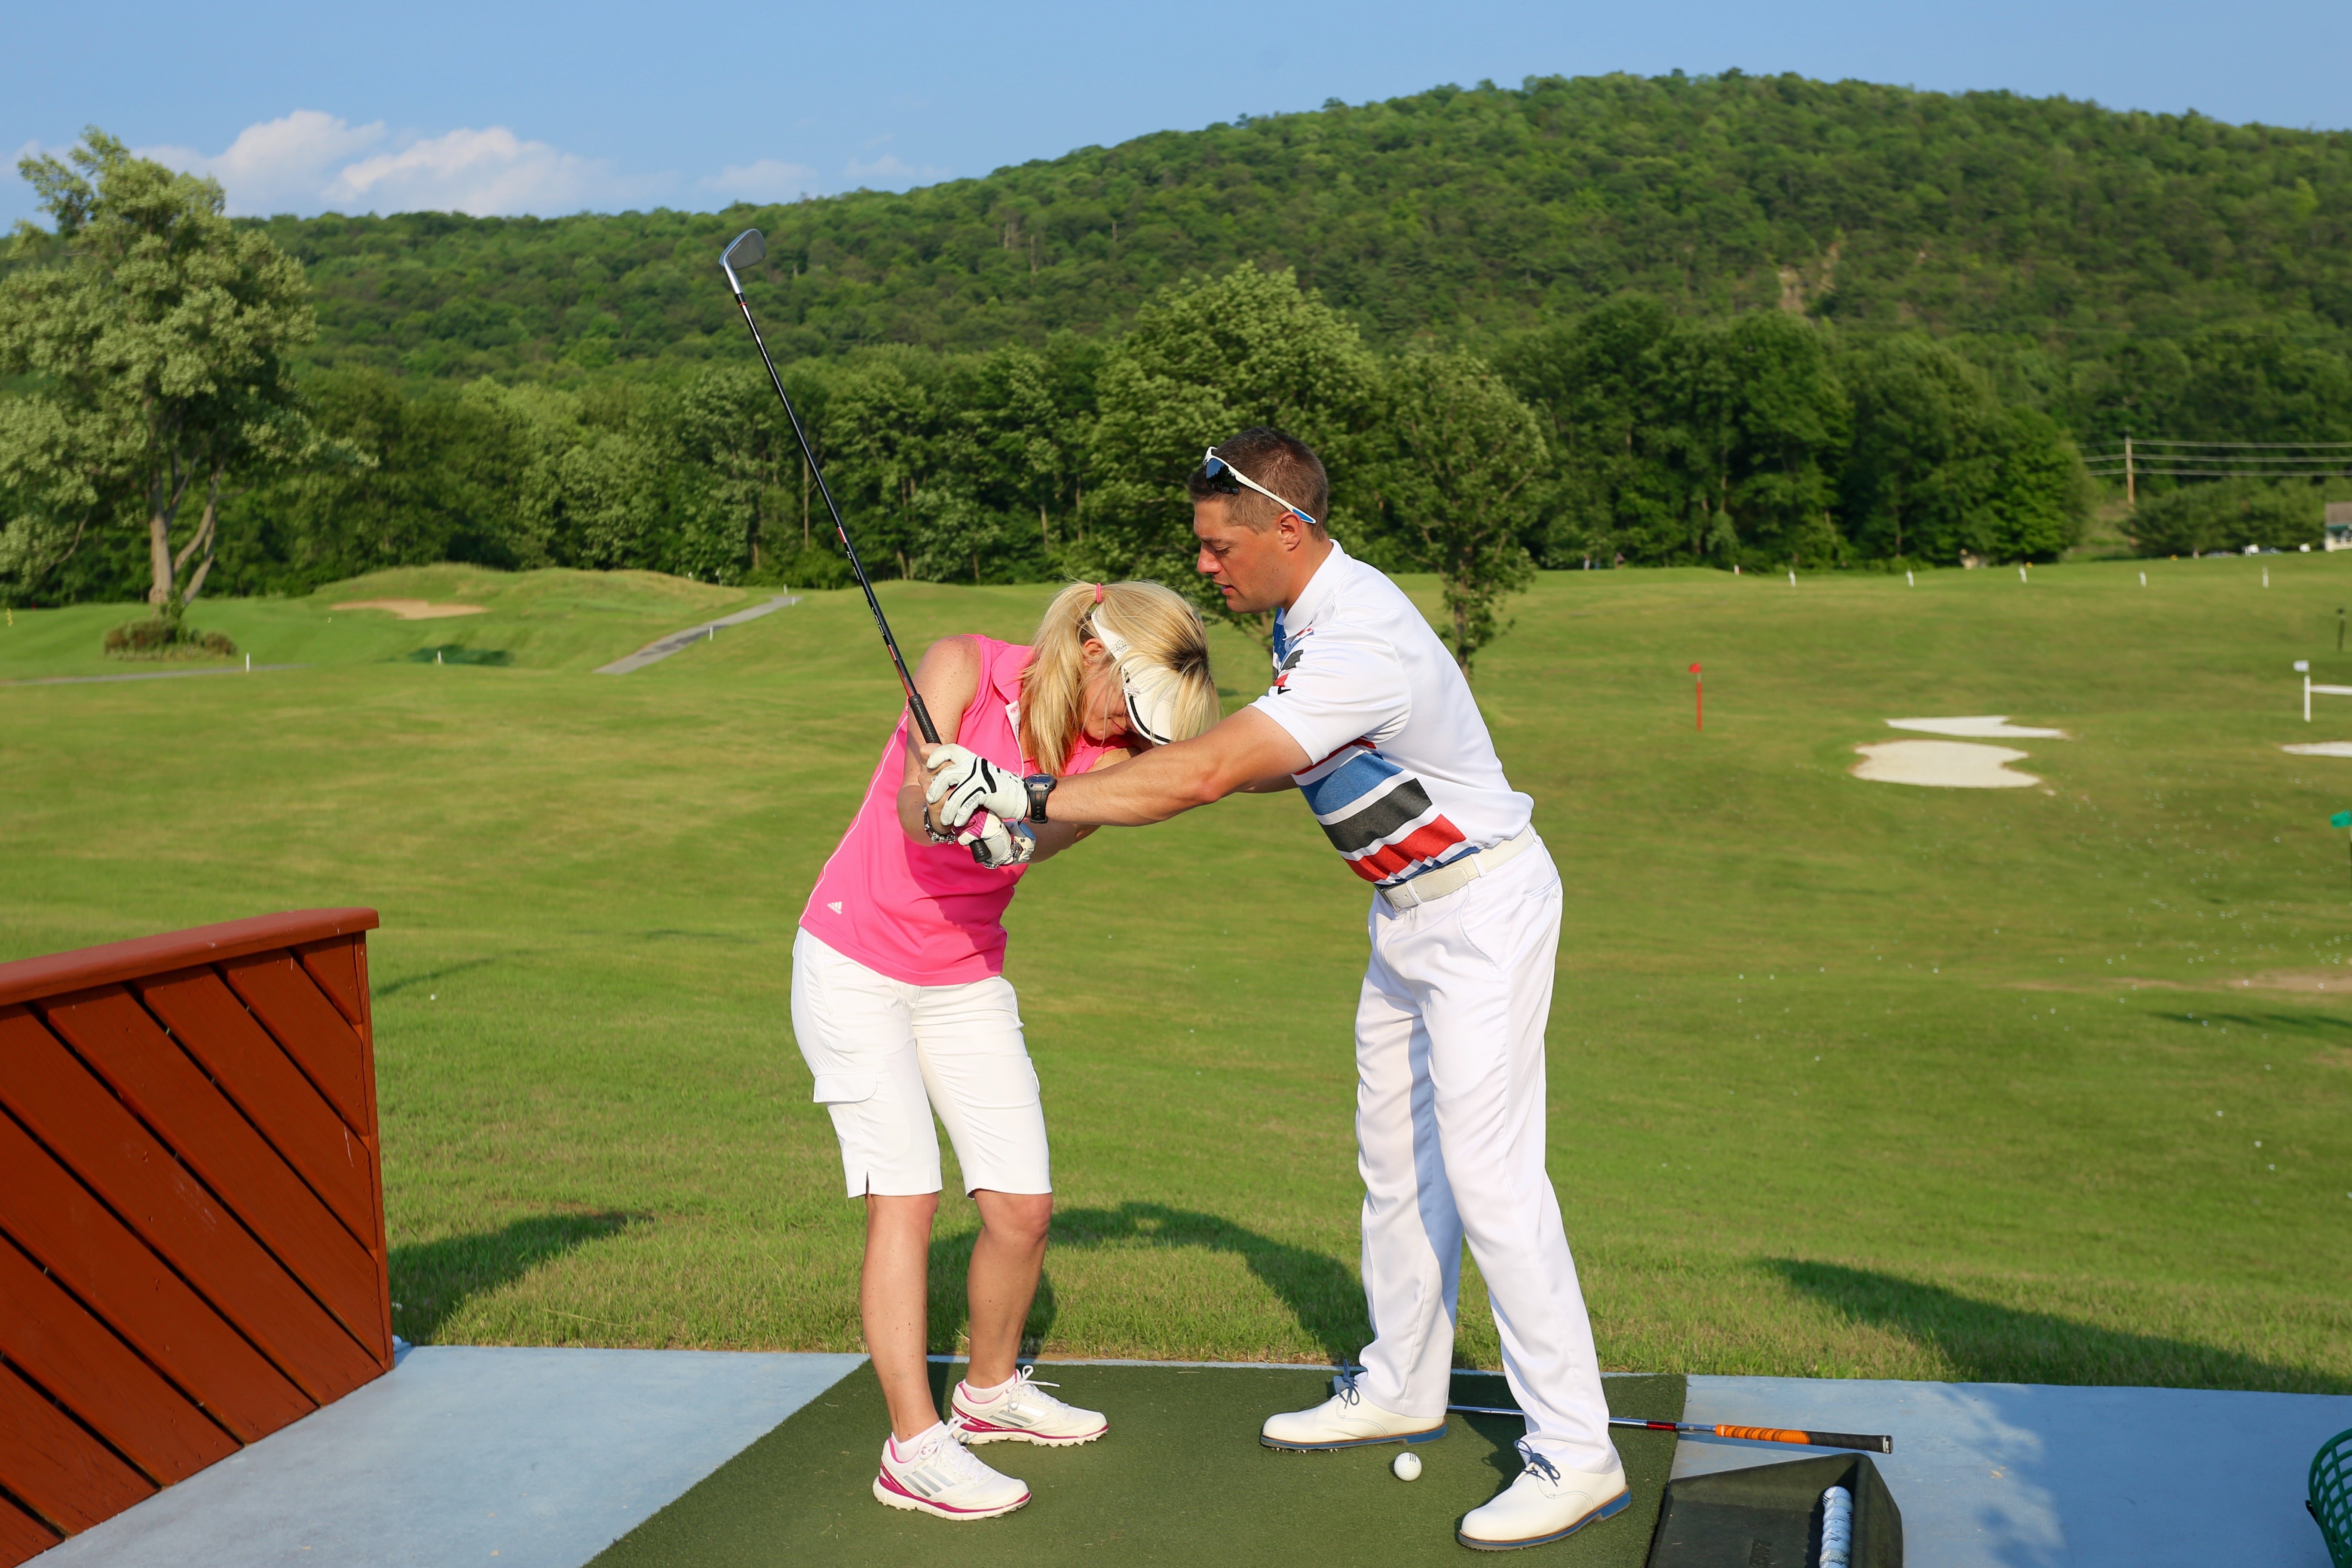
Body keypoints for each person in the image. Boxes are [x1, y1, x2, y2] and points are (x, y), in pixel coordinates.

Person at [923, 429, 1626, 1552]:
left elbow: (1206, 773)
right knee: (1393, 1159)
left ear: (1287, 530)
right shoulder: (1305, 619)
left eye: (1218, 547)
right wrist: (1043, 798)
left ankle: (1577, 1454)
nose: (1204, 567)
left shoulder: (1363, 641)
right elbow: (1262, 761)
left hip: (1483, 912)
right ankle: (1404, 1381)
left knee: (1492, 1181)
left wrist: (1020, 791)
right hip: (1407, 914)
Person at [793, 580, 1219, 1522]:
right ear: (1098, 651)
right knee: (907, 1197)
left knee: (1022, 1207)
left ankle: (987, 1395)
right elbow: (910, 809)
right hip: (853, 965)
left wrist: (1006, 831)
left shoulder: (1104, 754)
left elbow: (1044, 836)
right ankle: (912, 1447)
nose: (1138, 736)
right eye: (1136, 708)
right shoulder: (962, 666)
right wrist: (946, 807)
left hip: (964, 976)